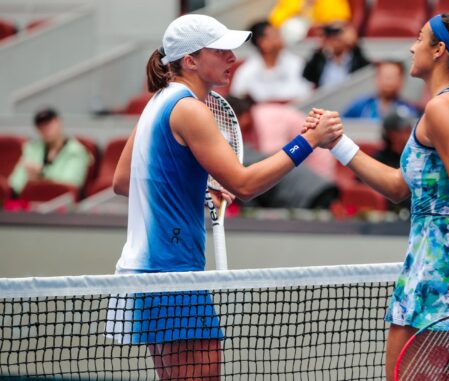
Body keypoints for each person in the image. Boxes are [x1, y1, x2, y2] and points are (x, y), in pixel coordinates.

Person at [105, 14, 342, 380]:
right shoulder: (190, 110)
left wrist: (196, 187)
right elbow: (245, 185)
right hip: (174, 272)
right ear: (191, 60)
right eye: (221, 51)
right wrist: (307, 141)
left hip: (146, 271)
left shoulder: (158, 101)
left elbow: (124, 181)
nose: (233, 58)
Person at [306, 13, 449, 381]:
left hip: (445, 270)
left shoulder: (443, 108)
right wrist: (337, 143)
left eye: (420, 38)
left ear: (439, 50)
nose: (413, 46)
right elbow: (400, 186)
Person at [9, 107, 91, 196]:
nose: (45, 128)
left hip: (61, 205)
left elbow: (69, 186)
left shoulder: (76, 151)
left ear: (59, 122)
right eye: (41, 125)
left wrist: (41, 175)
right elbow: (15, 183)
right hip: (30, 201)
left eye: (48, 123)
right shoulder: (32, 148)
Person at [229, 20, 313, 103]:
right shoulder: (246, 72)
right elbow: (238, 100)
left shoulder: (295, 62)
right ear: (262, 43)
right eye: (275, 35)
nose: (280, 38)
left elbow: (306, 91)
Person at [342, 60, 420, 119]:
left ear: (401, 81)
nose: (388, 81)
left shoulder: (410, 110)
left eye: (392, 77)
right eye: (384, 76)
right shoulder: (359, 105)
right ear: (377, 78)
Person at [302, 21, 370, 88]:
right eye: (331, 35)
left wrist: (355, 45)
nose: (334, 39)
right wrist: (320, 48)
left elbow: (365, 71)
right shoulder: (322, 58)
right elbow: (307, 75)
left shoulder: (355, 58)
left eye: (337, 33)